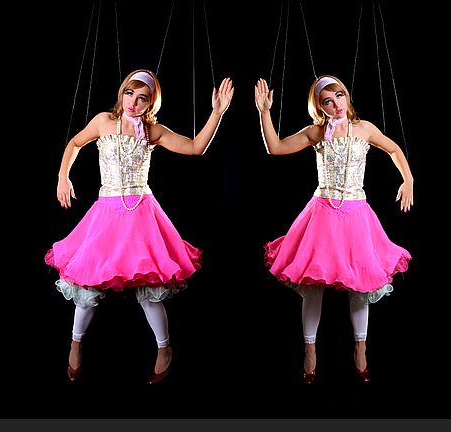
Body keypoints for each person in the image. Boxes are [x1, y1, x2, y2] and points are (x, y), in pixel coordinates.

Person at [47, 69, 234, 383]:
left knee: (149, 288)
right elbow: (75, 143)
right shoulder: (103, 121)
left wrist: (216, 113)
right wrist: (62, 176)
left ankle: (164, 348)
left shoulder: (152, 130)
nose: (133, 102)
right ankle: (75, 343)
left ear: (150, 103)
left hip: (140, 212)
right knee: (88, 282)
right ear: (122, 94)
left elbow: (194, 147)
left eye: (142, 97)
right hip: (106, 212)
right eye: (129, 94)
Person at [254, 75, 413, 384]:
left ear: (347, 96)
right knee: (313, 284)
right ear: (320, 106)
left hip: (356, 214)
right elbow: (276, 147)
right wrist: (264, 112)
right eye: (327, 100)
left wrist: (408, 179)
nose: (336, 104)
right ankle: (310, 349)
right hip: (322, 215)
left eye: (339, 96)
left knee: (361, 284)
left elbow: (394, 149)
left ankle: (360, 347)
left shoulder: (364, 128)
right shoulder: (317, 132)